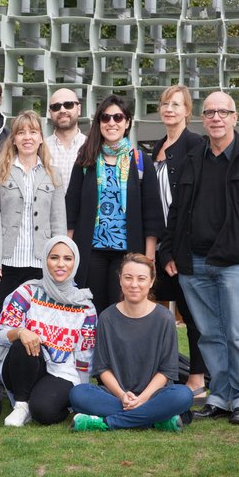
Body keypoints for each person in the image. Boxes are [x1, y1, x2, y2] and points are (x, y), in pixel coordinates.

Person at [159, 91, 239, 425]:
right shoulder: (192, 159)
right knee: (210, 335)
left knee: (238, 332)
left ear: (234, 117)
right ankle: (222, 395)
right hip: (193, 264)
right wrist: (168, 249)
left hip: (234, 263)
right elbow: (177, 210)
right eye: (210, 112)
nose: (216, 118)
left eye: (222, 112)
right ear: (203, 118)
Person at [0, 110, 66, 366]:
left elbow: (58, 223)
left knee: (36, 321)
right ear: (14, 139)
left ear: (41, 137)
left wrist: (58, 265)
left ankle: (29, 375)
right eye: (21, 132)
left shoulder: (53, 174)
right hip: (5, 263)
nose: (27, 137)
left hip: (40, 264)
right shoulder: (0, 171)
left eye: (33, 132)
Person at [69, 253, 193, 432]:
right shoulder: (106, 317)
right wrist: (122, 395)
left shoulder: (164, 318)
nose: (134, 284)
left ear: (151, 281)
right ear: (120, 280)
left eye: (141, 278)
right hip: (115, 395)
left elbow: (166, 371)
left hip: (154, 395)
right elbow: (102, 369)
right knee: (78, 394)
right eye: (128, 278)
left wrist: (142, 399)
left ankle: (107, 423)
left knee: (183, 395)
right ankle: (156, 419)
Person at [66, 94, 163, 314]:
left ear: (127, 122)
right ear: (99, 123)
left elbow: (152, 213)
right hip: (91, 252)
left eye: (118, 117)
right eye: (105, 118)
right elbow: (71, 208)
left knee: (122, 311)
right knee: (91, 311)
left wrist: (148, 259)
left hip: (127, 254)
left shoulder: (140, 161)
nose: (111, 123)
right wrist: (68, 252)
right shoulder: (86, 159)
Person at [0, 236, 97, 426]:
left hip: (61, 373)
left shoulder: (85, 307)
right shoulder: (27, 292)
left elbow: (85, 356)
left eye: (67, 258)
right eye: (54, 257)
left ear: (76, 262)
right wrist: (20, 332)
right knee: (22, 341)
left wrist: (80, 396)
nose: (60, 264)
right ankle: (21, 406)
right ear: (45, 260)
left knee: (44, 413)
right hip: (24, 364)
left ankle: (40, 403)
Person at [150, 85, 208, 401]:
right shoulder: (157, 147)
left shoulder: (195, 145)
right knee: (152, 309)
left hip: (182, 246)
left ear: (187, 111)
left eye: (176, 104)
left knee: (192, 313)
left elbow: (190, 204)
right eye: (165, 104)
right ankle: (161, 372)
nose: (169, 109)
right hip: (159, 245)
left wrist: (173, 249)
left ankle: (197, 378)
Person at [45, 88, 87, 191]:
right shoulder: (41, 148)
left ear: (79, 109)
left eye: (68, 105)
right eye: (56, 107)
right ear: (50, 113)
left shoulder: (92, 146)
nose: (62, 110)